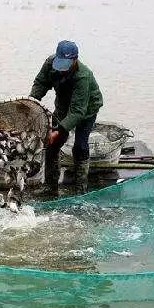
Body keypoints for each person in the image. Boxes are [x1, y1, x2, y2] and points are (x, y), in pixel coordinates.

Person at [30, 40, 103, 196]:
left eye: (66, 64)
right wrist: (31, 103)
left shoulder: (83, 76)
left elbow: (78, 111)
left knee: (80, 146)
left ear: (75, 60)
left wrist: (60, 130)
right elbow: (40, 83)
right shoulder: (50, 63)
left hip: (87, 109)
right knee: (52, 145)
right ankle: (50, 186)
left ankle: (80, 189)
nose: (62, 68)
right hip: (63, 106)